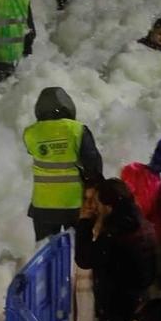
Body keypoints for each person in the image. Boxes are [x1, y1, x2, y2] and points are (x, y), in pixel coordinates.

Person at [75, 179, 159, 321]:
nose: (93, 207)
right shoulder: (139, 221)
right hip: (139, 299)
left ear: (107, 204)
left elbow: (85, 258)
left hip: (118, 305)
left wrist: (85, 223)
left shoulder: (116, 231)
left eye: (96, 202)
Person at [23, 87, 102, 242]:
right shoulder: (77, 130)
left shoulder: (30, 133)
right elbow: (93, 164)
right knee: (77, 250)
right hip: (73, 205)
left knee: (45, 253)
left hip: (42, 207)